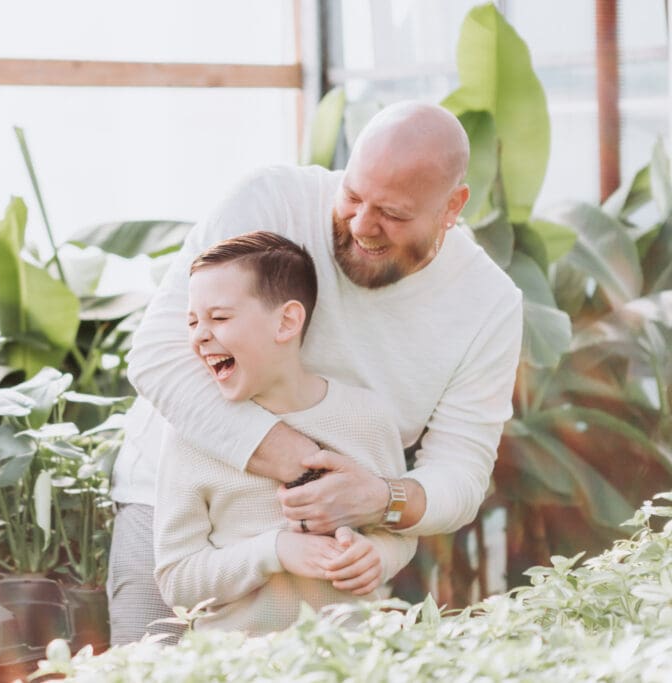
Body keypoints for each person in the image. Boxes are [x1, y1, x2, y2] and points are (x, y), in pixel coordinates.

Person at [106, 101, 523, 645]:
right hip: (177, 506)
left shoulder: (488, 304)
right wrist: (301, 467)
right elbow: (160, 352)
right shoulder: (269, 199)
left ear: (452, 207)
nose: (360, 225)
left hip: (329, 551)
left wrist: (381, 500)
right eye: (351, 195)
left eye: (393, 214)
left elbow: (460, 471)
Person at [153, 231, 416, 634]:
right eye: (192, 321)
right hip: (235, 667)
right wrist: (273, 551)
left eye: (219, 317)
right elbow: (177, 580)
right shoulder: (190, 437)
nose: (199, 335)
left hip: (355, 661)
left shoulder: (367, 417)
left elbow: (397, 532)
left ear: (287, 321)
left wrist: (377, 555)